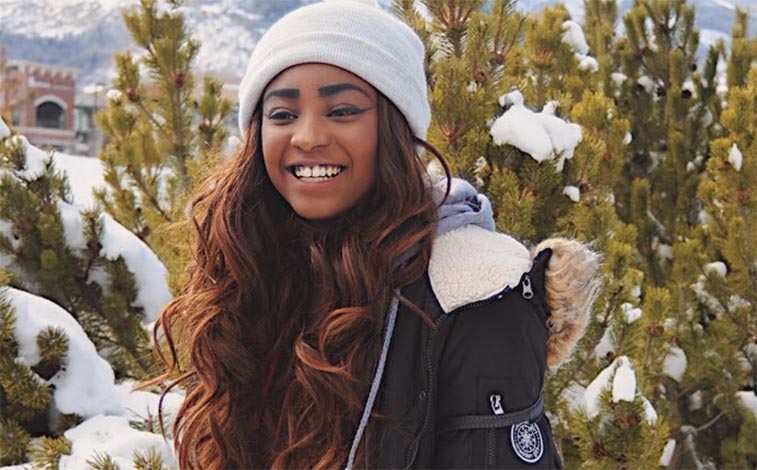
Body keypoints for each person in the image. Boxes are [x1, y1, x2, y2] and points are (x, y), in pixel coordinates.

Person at [151, 0, 601, 468]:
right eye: (282, 114)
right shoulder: (253, 267)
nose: (307, 136)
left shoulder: (471, 292)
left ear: (395, 128)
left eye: (342, 110)